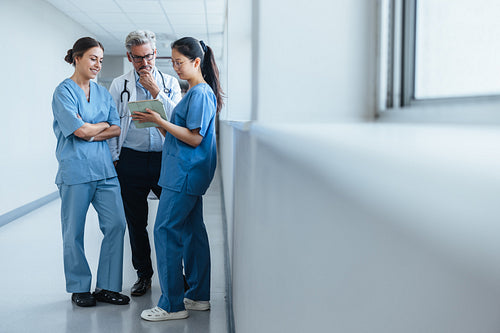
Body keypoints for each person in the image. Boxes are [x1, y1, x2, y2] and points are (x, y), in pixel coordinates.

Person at [131, 37, 223, 321]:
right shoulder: (193, 93)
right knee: (192, 232)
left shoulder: (200, 94)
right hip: (183, 171)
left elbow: (195, 139)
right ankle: (197, 296)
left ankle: (172, 304)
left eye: (179, 62)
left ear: (197, 62)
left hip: (184, 173)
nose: (175, 68)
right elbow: (180, 134)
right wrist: (158, 123)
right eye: (172, 62)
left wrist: (160, 121)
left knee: (165, 231)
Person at [52, 37, 129, 307]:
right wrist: (96, 127)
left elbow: (116, 127)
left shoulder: (101, 93)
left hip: (104, 170)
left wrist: (89, 130)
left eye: (101, 60)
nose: (97, 65)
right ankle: (79, 287)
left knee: (117, 224)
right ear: (77, 58)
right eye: (93, 58)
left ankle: (106, 287)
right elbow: (80, 130)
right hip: (75, 172)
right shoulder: (63, 92)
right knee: (74, 231)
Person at [107, 30, 182, 297]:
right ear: (130, 57)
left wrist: (156, 91)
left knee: (172, 220)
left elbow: (178, 120)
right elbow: (114, 121)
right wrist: (115, 161)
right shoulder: (119, 84)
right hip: (131, 159)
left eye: (148, 56)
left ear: (155, 54)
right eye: (138, 58)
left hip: (165, 158)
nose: (144, 63)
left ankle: (176, 274)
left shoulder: (170, 82)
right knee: (136, 222)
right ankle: (143, 275)